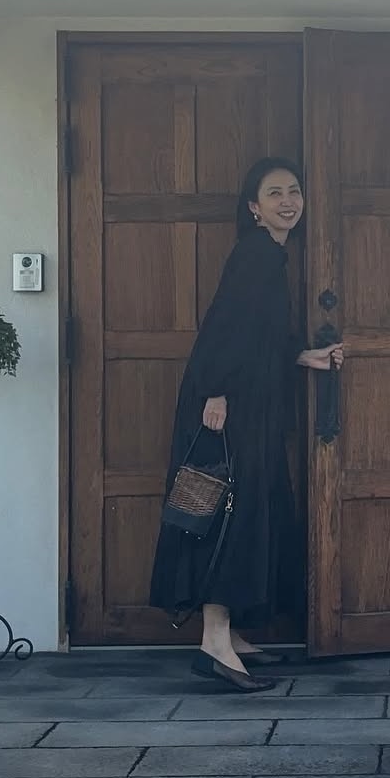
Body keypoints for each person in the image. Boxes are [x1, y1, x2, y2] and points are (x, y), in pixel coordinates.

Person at [149, 158, 344, 692]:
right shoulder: (256, 253)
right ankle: (214, 644)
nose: (288, 201)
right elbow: (225, 325)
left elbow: (260, 335)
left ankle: (228, 634)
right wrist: (215, 389)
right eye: (274, 193)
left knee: (250, 510)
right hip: (228, 403)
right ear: (255, 207)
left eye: (294, 191)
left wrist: (303, 355)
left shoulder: (270, 256)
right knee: (230, 513)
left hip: (249, 402)